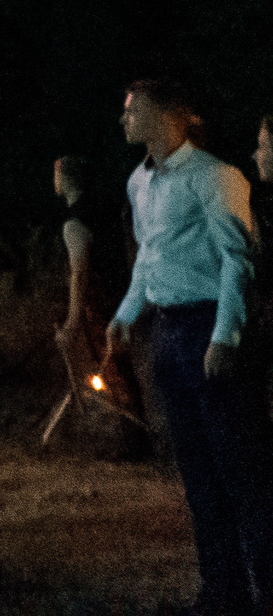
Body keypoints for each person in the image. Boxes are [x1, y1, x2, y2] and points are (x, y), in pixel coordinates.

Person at [105, 79, 271, 614]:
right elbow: (148, 257)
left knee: (240, 471)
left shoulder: (215, 176)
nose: (124, 119)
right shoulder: (138, 182)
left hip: (206, 325)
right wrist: (126, 314)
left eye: (133, 110)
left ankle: (266, 591)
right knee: (197, 474)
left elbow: (237, 261)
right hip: (168, 331)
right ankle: (223, 593)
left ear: (166, 115)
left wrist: (225, 336)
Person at [52, 155, 147, 454]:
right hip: (122, 293)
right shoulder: (103, 211)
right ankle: (136, 434)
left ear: (62, 178)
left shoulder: (75, 221)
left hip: (101, 302)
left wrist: (72, 321)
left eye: (55, 174)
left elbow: (79, 272)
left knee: (113, 367)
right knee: (120, 365)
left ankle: (134, 440)